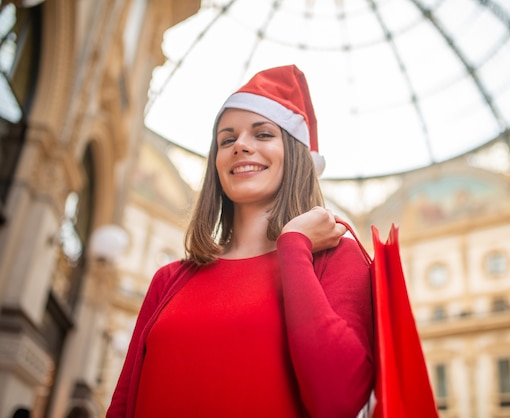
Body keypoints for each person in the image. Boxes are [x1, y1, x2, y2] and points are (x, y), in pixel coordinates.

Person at [106, 65, 374, 418]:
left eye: (263, 134)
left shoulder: (336, 259)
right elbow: (123, 405)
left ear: (295, 155)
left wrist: (293, 245)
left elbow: (337, 400)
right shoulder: (169, 280)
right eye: (227, 139)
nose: (241, 146)